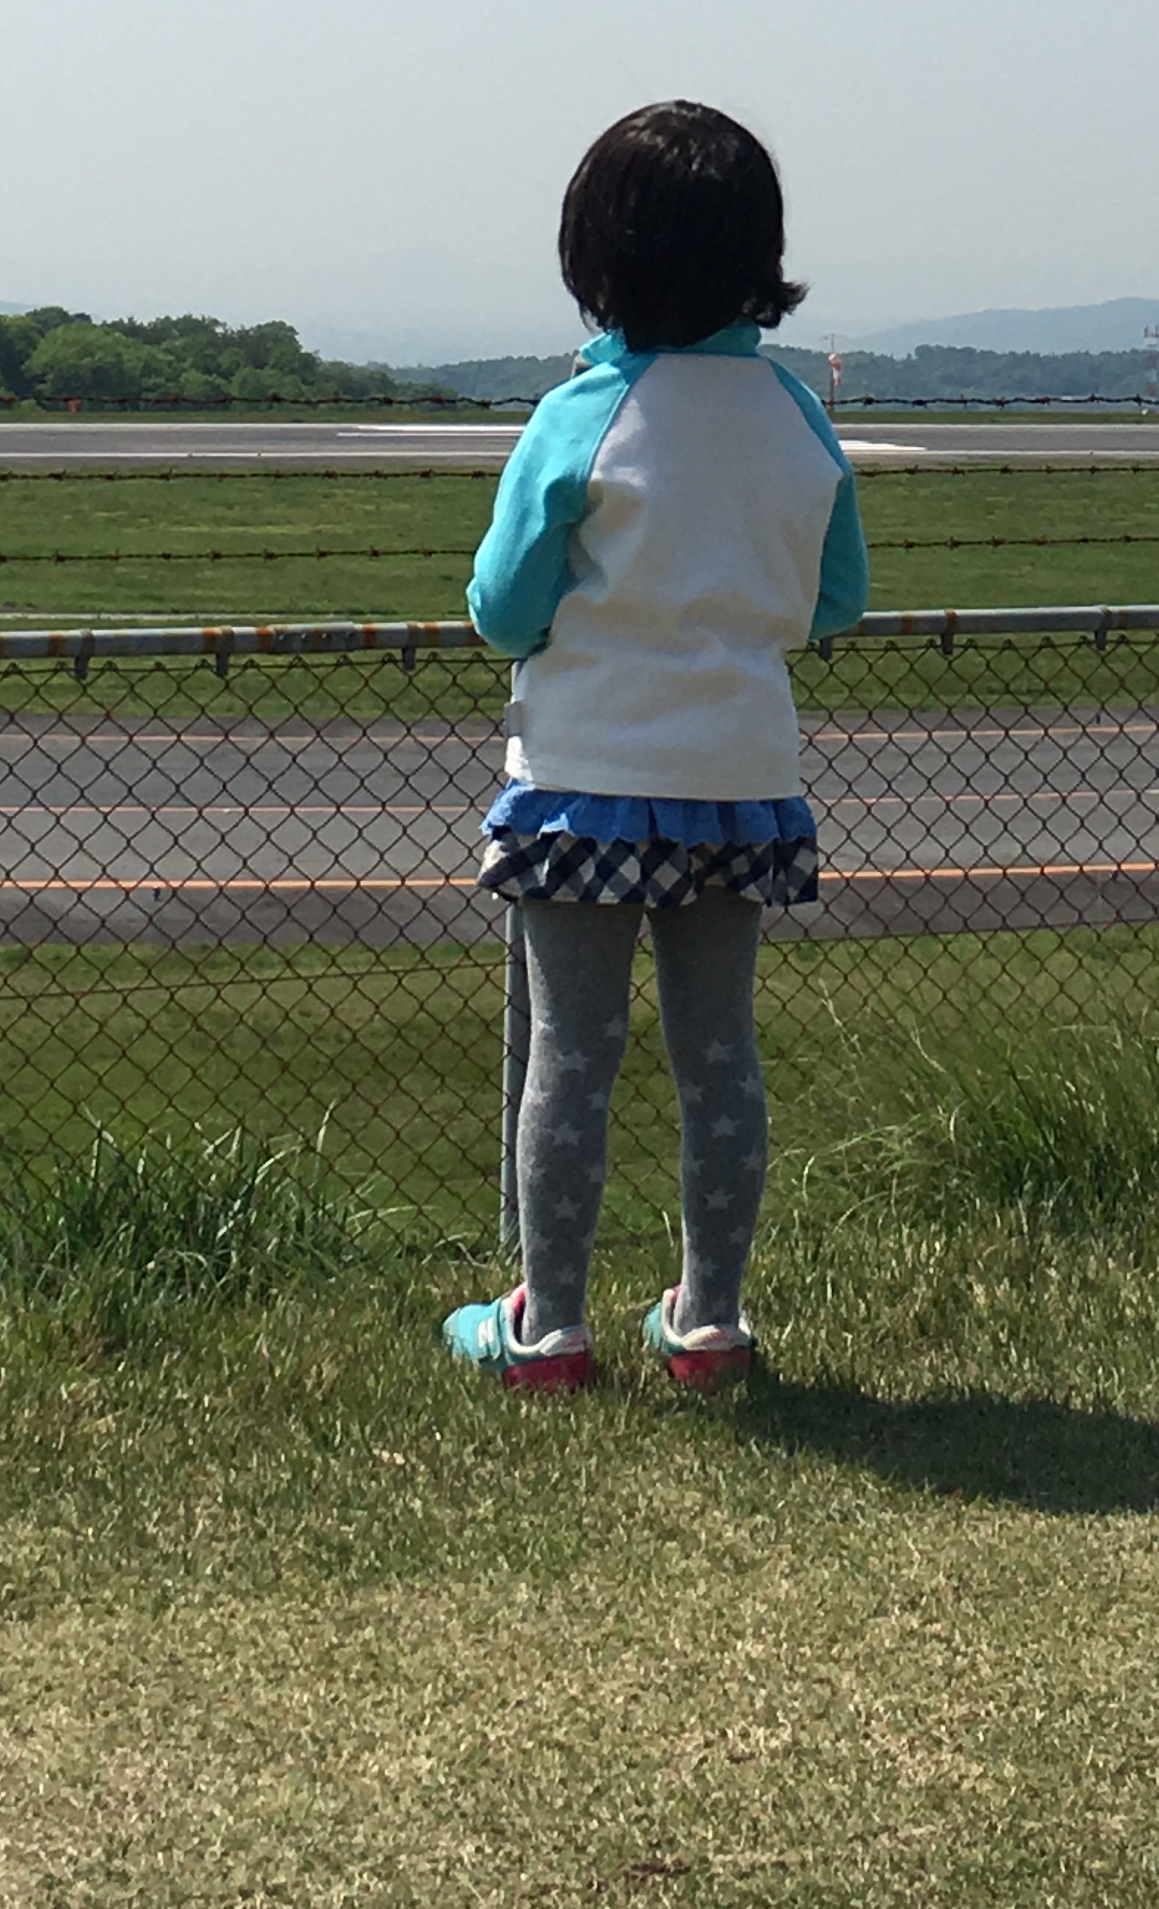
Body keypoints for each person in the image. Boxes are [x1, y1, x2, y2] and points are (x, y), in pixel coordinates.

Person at [441, 99, 867, 1395]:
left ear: (600, 253)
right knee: (719, 1055)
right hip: (741, 781)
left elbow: (502, 606)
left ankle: (549, 1328)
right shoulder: (795, 412)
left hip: (585, 781)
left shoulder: (585, 411)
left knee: (572, 1056)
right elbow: (836, 599)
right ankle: (710, 1322)